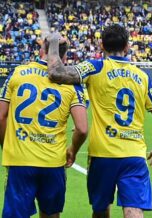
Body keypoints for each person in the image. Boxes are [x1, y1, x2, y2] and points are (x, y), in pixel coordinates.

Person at [46, 26, 152, 218]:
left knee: (101, 209)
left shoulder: (95, 67)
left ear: (101, 45)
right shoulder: (143, 76)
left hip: (102, 154)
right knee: (134, 209)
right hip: (134, 154)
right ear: (127, 47)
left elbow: (55, 73)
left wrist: (53, 41)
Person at [0, 38, 88, 218]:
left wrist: (7, 146)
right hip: (53, 162)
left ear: (42, 50)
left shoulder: (18, 73)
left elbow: (1, 116)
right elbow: (82, 128)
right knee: (50, 214)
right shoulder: (72, 84)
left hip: (20, 160)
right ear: (64, 56)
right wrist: (72, 150)